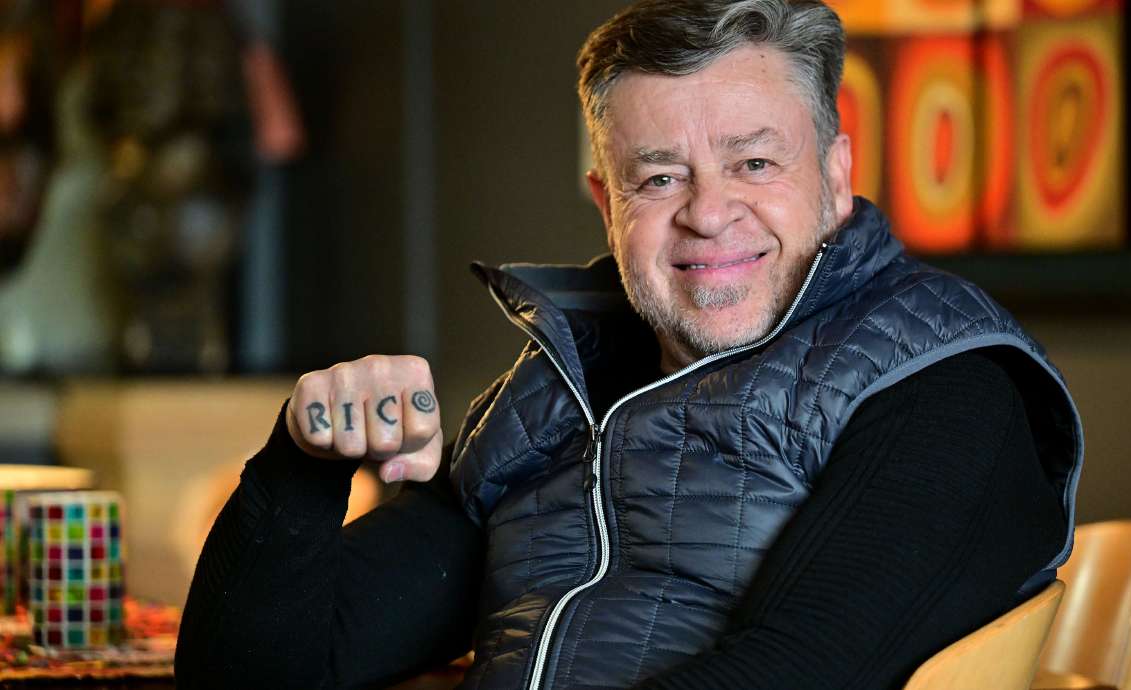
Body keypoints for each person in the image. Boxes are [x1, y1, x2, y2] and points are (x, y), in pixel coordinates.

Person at [176, 1, 1083, 688]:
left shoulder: (944, 381)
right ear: (608, 205)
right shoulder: (552, 397)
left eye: (755, 162)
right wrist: (302, 461)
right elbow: (256, 675)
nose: (708, 211)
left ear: (836, 177)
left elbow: (799, 672)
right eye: (659, 176)